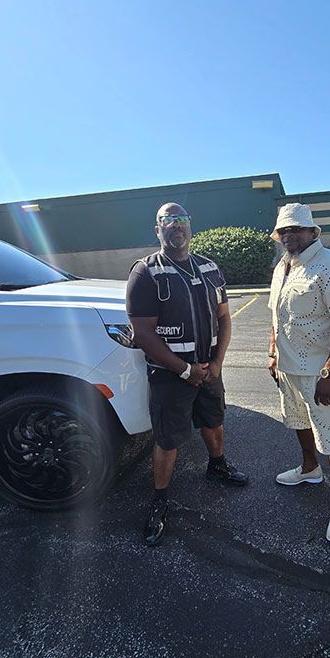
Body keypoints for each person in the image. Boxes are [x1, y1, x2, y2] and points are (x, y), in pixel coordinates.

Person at [126, 202, 248, 546]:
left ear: (190, 226)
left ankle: (217, 466)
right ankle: (160, 501)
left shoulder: (209, 267)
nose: (176, 226)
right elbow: (143, 333)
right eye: (168, 221)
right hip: (170, 374)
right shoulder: (146, 272)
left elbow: (224, 317)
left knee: (214, 421)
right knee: (167, 439)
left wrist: (218, 363)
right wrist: (183, 370)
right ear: (158, 229)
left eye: (181, 220)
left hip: (209, 369)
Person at [268, 203, 330, 543]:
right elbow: (275, 314)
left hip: (318, 372)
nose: (289, 235)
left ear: (312, 231)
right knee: (297, 421)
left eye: (296, 229)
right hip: (288, 367)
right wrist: (272, 352)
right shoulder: (283, 267)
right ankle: (309, 469)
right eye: (284, 231)